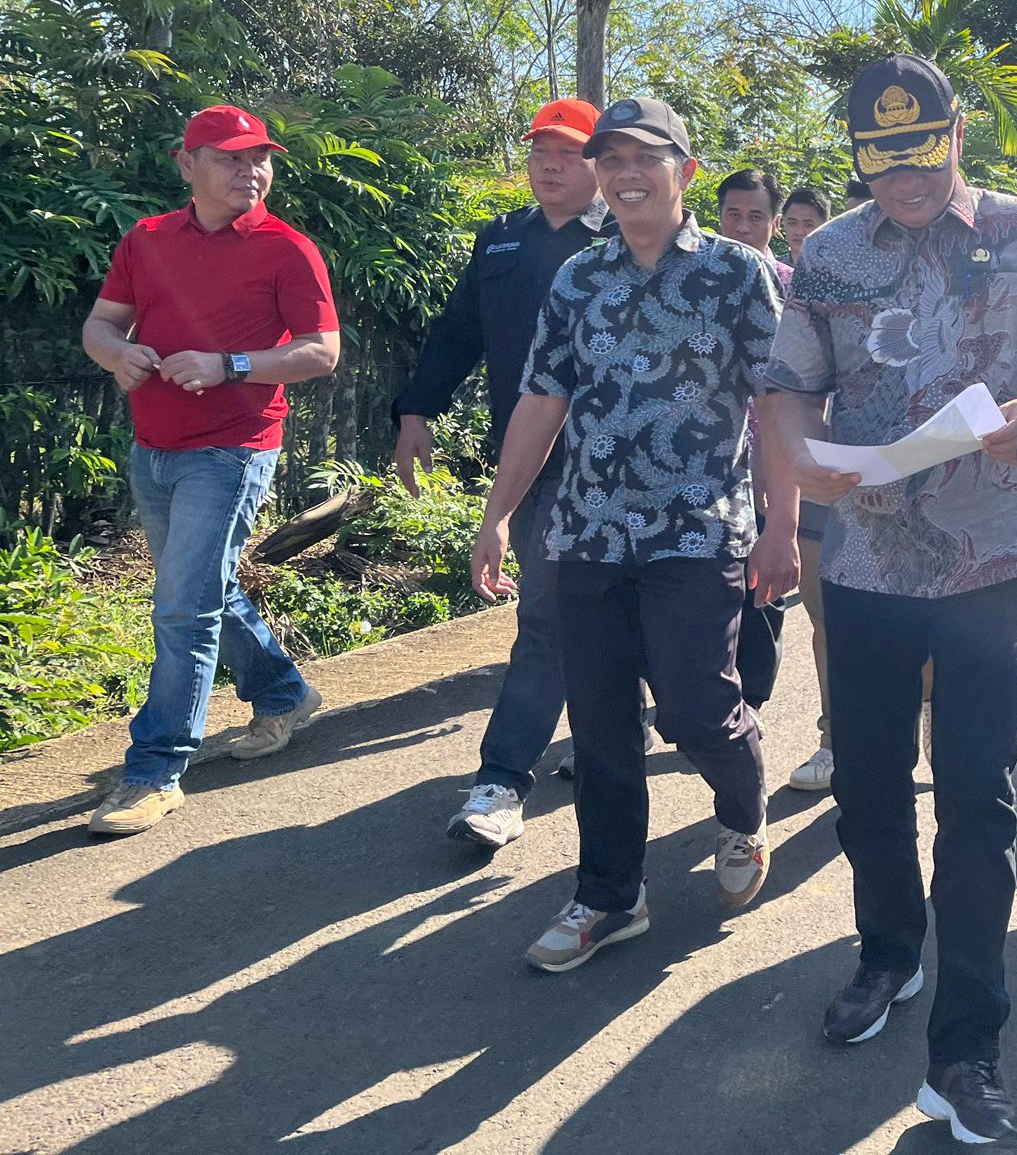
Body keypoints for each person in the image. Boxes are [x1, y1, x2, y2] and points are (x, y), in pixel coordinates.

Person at [764, 54, 1017, 1148]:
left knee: (976, 799)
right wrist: (796, 465)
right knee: (865, 781)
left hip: (986, 556)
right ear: (856, 153)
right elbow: (786, 384)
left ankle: (967, 1049)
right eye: (878, 153)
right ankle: (886, 954)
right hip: (861, 555)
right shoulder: (826, 250)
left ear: (955, 134)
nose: (901, 173)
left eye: (918, 148)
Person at [470, 97, 795, 972]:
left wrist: (782, 526)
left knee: (698, 708)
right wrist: (499, 514)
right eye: (609, 160)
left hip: (698, 533)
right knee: (603, 723)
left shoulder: (739, 274)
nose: (624, 174)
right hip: (586, 537)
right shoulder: (579, 276)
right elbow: (544, 398)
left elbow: (774, 407)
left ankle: (741, 807)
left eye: (644, 157)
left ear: (684, 171)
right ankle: (612, 894)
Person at [83, 105, 341, 837]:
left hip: (233, 447)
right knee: (203, 592)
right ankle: (285, 693)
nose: (249, 171)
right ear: (185, 163)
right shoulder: (147, 239)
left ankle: (154, 770)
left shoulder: (289, 249)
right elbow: (102, 323)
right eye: (229, 158)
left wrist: (232, 365)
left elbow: (322, 352)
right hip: (153, 447)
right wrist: (116, 353)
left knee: (181, 608)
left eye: (259, 158)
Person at [394, 99, 611, 849]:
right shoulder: (501, 242)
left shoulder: (627, 242)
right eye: (540, 152)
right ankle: (546, 761)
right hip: (532, 464)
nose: (551, 165)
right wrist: (416, 410)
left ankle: (551, 757)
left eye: (569, 153)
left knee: (572, 616)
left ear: (599, 162)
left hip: (620, 464)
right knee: (551, 614)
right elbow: (458, 334)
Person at [717, 168, 796, 715]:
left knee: (761, 586)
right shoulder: (694, 275)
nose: (743, 227)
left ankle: (752, 699)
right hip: (711, 463)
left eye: (757, 217)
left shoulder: (794, 283)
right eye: (733, 215)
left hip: (769, 457)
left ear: (775, 222)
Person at [778, 184, 841, 793]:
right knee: (825, 620)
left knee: (917, 630)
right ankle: (833, 740)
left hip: (905, 484)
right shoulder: (784, 286)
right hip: (820, 483)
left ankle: (926, 703)